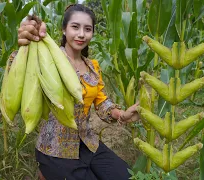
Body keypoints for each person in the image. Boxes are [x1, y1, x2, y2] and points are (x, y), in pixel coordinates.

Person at [16, 4, 140, 180]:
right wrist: (26, 41)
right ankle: (47, 171)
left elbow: (101, 101)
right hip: (54, 149)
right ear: (64, 30)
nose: (81, 34)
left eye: (87, 29)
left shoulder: (92, 67)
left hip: (87, 142)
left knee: (128, 177)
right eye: (75, 27)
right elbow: (19, 68)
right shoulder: (47, 60)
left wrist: (121, 114)